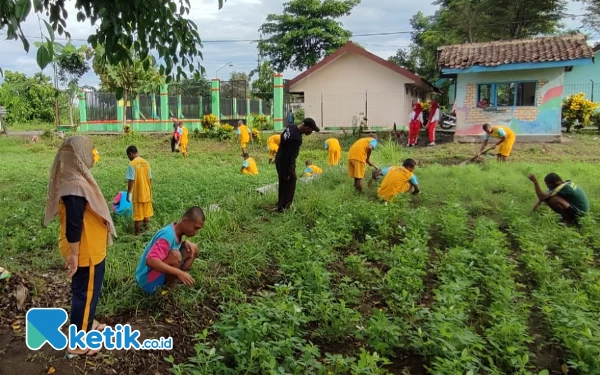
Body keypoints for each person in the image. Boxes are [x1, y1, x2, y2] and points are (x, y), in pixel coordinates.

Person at [43, 136, 117, 358]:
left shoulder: (72, 179)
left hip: (87, 249)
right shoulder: (76, 185)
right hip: (85, 252)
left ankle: (88, 322)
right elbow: (74, 224)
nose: (94, 153)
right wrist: (74, 254)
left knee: (84, 293)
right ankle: (78, 344)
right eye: (91, 150)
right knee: (85, 294)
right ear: (79, 155)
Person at [135, 207, 204, 294]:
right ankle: (168, 290)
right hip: (146, 282)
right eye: (195, 228)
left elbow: (169, 249)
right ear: (185, 221)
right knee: (176, 256)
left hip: (155, 274)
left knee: (193, 248)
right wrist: (179, 272)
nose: (196, 232)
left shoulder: (176, 231)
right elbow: (150, 260)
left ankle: (176, 279)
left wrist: (184, 242)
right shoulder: (167, 236)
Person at [275, 117, 320, 212]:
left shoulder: (291, 126)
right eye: (311, 130)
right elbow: (290, 156)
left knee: (283, 182)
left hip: (279, 156)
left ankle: (281, 204)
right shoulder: (297, 138)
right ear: (306, 127)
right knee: (290, 181)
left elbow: (282, 136)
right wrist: (287, 171)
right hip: (286, 161)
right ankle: (285, 207)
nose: (311, 132)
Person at [126, 145, 153, 235]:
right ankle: (147, 232)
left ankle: (137, 235)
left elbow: (131, 180)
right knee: (146, 215)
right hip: (147, 193)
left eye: (128, 156)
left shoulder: (132, 164)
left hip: (138, 195)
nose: (129, 158)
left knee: (137, 217)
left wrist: (129, 193)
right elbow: (150, 179)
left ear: (131, 153)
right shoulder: (146, 163)